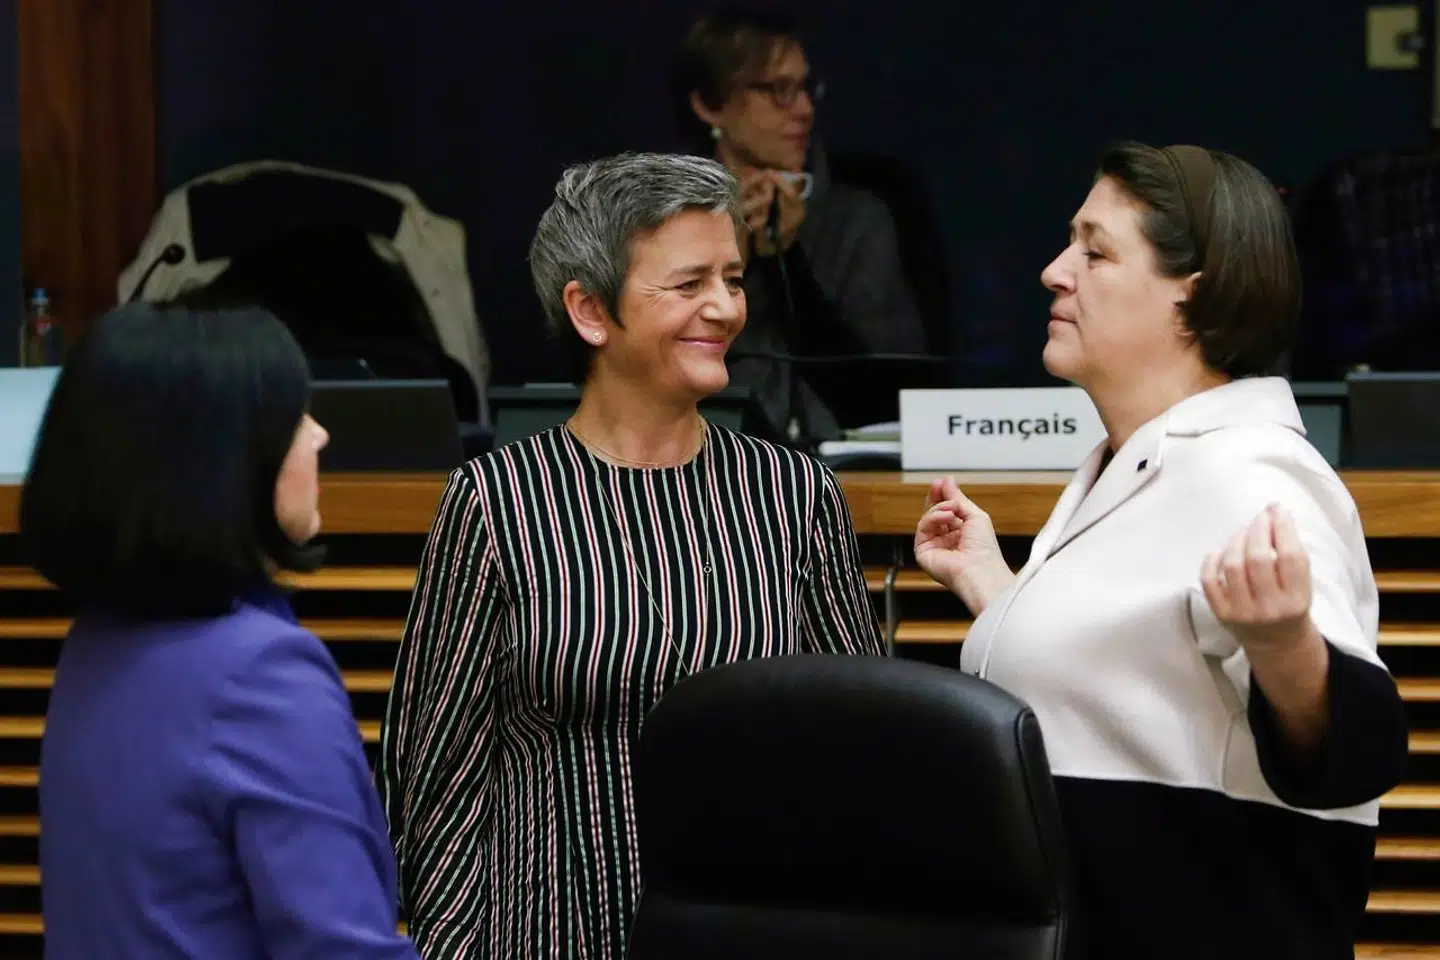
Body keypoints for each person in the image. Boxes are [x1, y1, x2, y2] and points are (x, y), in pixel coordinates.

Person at [378, 151, 885, 959]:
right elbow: (434, 779)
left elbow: (860, 749)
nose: (723, 307)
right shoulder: (497, 500)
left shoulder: (792, 495)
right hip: (550, 935)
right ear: (589, 310)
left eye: (733, 278)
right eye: (689, 285)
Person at [913, 142, 1408, 959]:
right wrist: (995, 586)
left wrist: (1284, 643)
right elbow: (1132, 686)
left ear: (1193, 295)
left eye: (1095, 250)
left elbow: (1357, 754)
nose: (1053, 270)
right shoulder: (1146, 460)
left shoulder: (1251, 473)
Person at [23, 302, 418, 960]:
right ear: (223, 459)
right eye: (293, 417)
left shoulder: (94, 643)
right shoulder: (258, 674)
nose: (318, 436)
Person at [674, 7, 927, 440]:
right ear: (710, 104)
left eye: (808, 88)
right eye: (779, 90)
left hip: (824, 463)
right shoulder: (662, 222)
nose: (805, 109)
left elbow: (886, 395)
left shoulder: (857, 220)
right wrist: (731, 259)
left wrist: (785, 259)